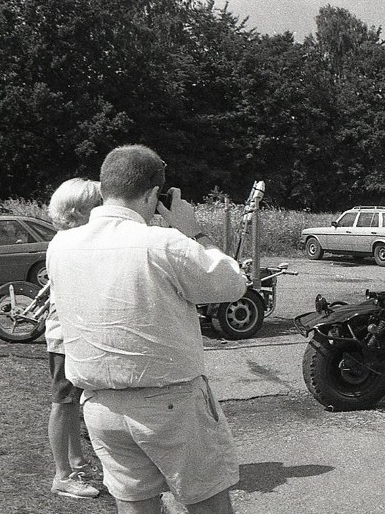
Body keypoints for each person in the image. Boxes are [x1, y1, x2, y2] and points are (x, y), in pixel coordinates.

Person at [46, 144, 248, 514]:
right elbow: (232, 284)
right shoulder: (164, 243)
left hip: (101, 404)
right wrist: (195, 233)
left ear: (104, 188)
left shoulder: (61, 245)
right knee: (209, 505)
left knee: (136, 506)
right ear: (154, 195)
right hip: (168, 402)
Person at [46, 178, 103, 499]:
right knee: (63, 404)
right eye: (97, 205)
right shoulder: (70, 244)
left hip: (68, 334)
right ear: (78, 212)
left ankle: (76, 462)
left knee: (69, 403)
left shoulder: (66, 240)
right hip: (65, 337)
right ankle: (63, 476)